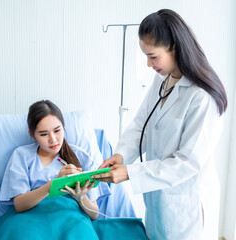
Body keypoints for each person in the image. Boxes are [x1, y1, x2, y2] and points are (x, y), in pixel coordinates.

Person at [92, 9, 227, 239]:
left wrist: (131, 173)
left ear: (175, 47)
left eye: (153, 56)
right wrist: (122, 155)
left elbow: (188, 162)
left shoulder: (202, 97)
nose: (148, 64)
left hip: (187, 206)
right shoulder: (163, 78)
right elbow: (141, 123)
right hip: (159, 201)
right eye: (145, 55)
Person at [0, 99, 111, 220]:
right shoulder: (22, 155)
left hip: (70, 219)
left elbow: (95, 214)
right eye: (43, 134)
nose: (53, 140)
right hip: (32, 220)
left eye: (57, 131)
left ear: (63, 127)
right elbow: (19, 205)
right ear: (32, 135)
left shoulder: (80, 156)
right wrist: (55, 183)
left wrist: (80, 197)